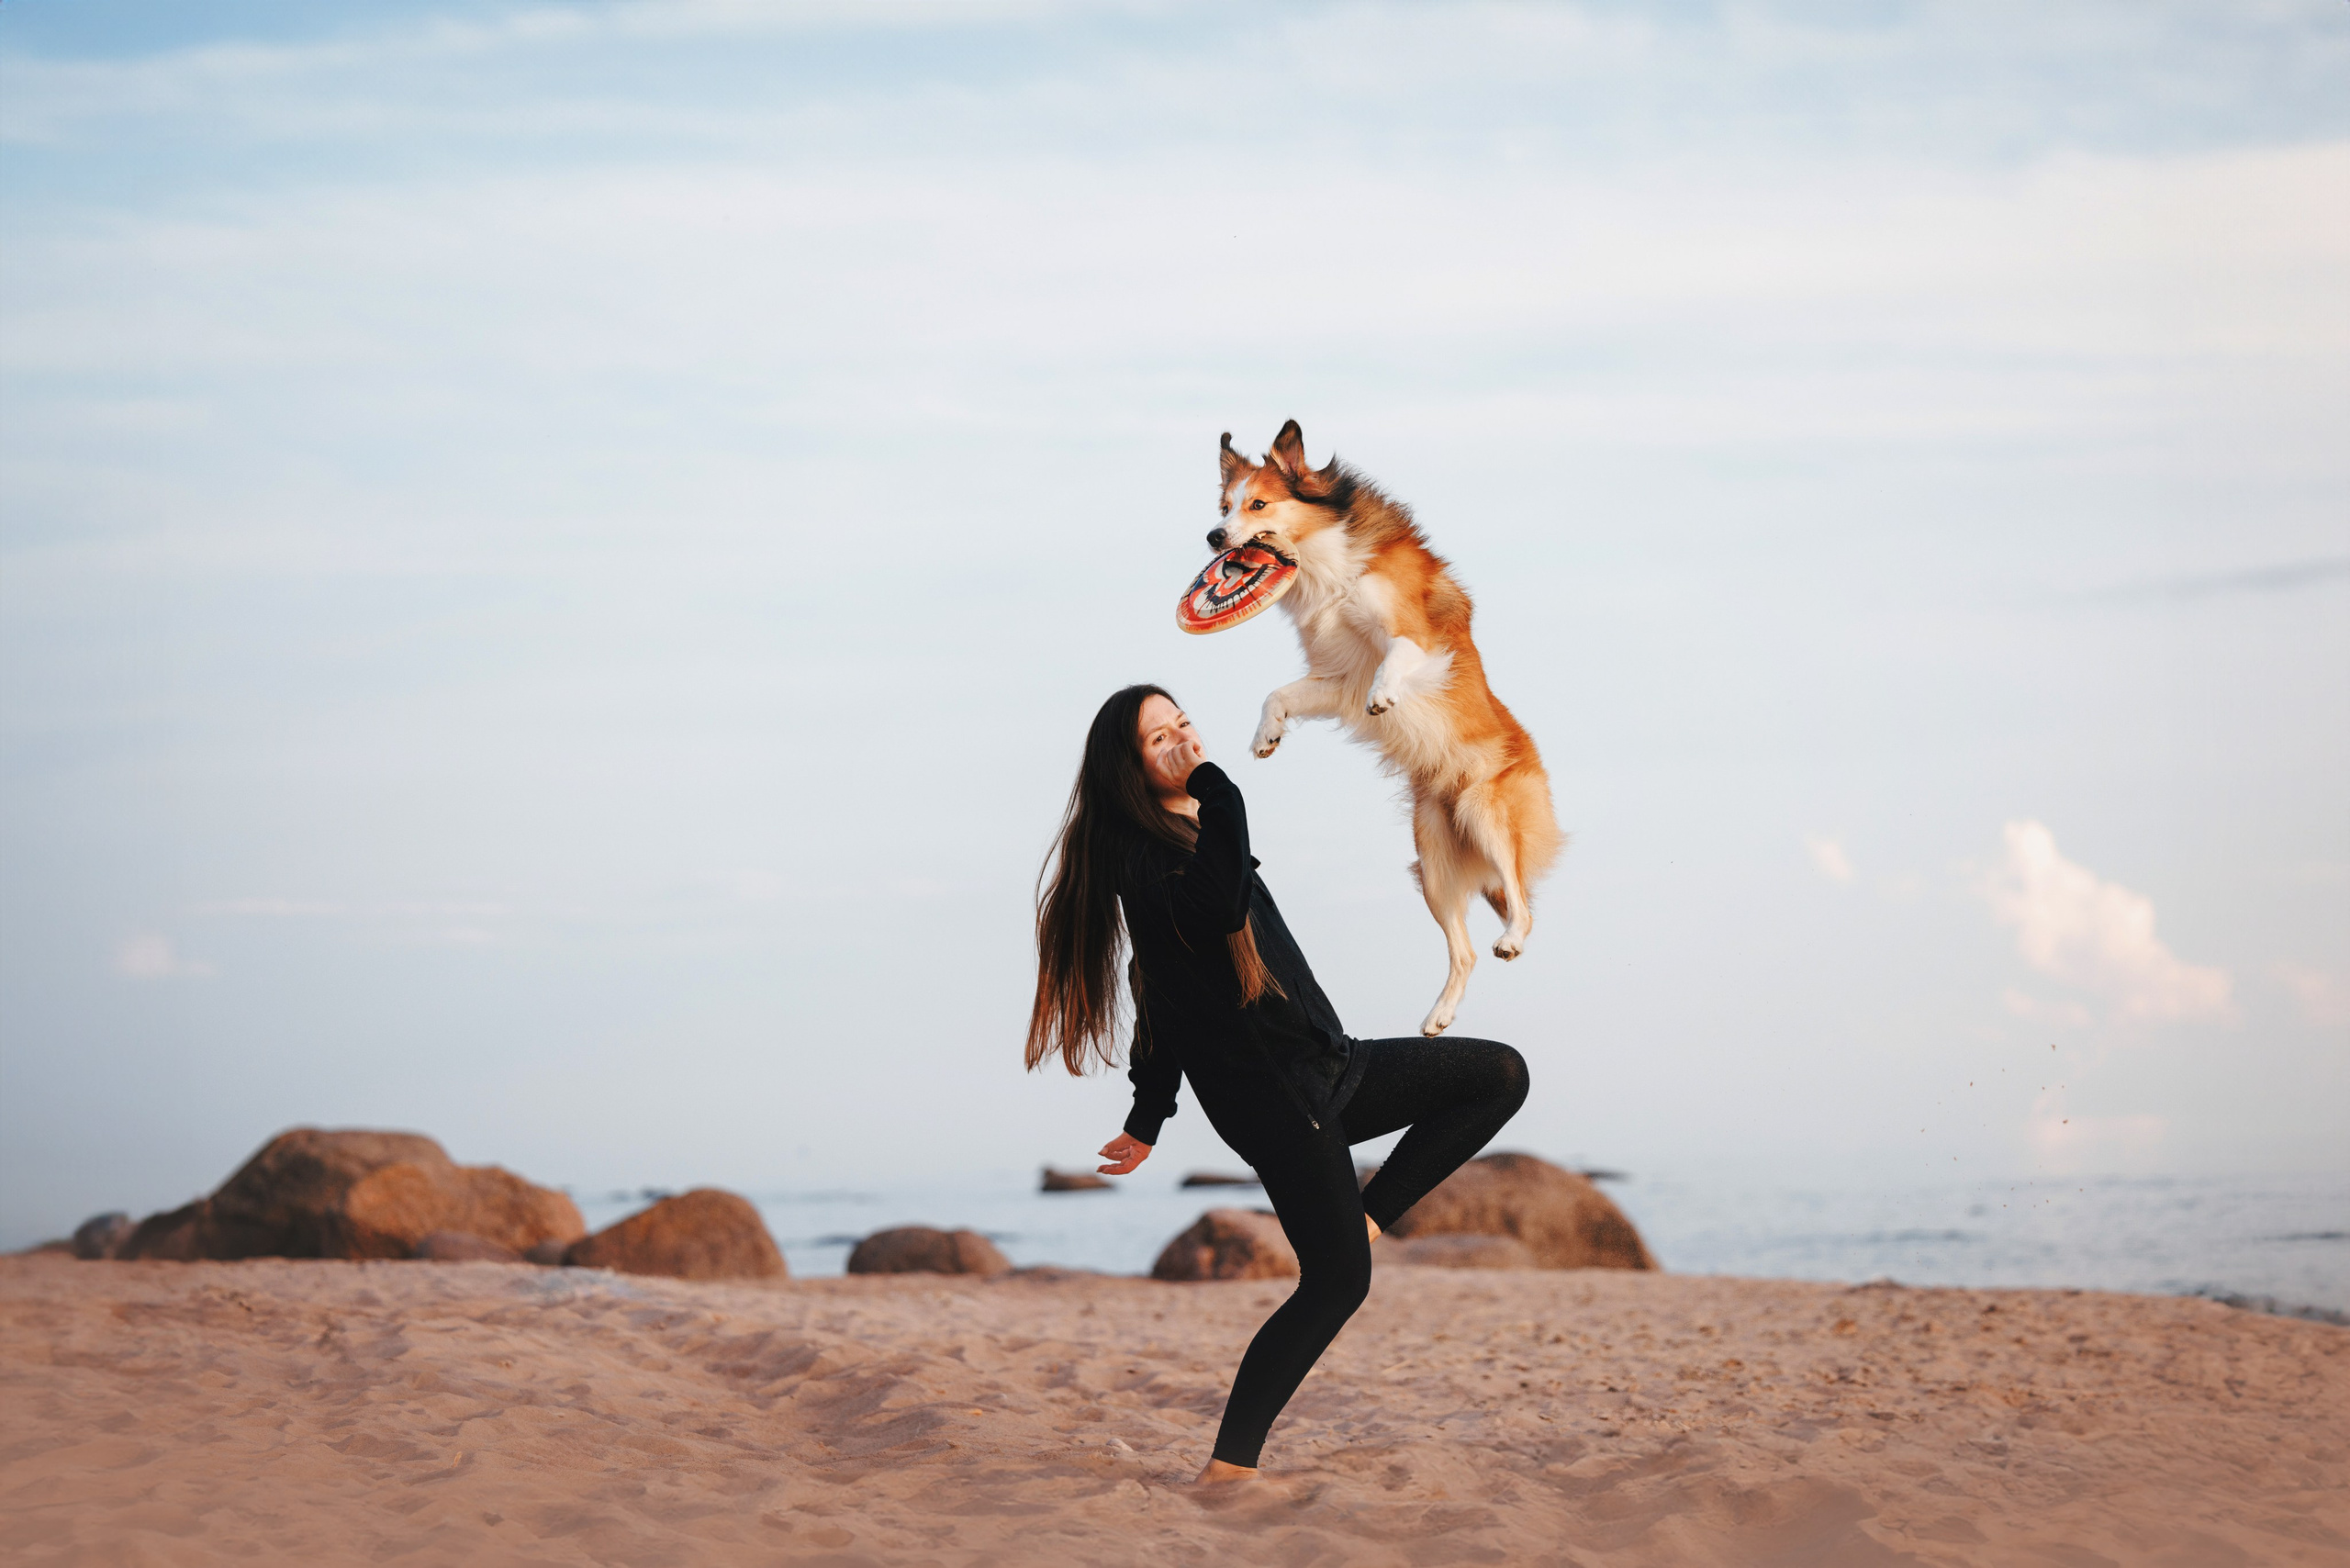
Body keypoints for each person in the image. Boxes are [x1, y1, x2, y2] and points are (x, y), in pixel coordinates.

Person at [1026, 683, 1530, 1484]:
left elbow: (1160, 995)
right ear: (1126, 769)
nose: (1182, 742)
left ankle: (1367, 1218)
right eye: (1159, 739)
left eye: (1184, 724)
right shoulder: (1151, 862)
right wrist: (1219, 785)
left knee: (1497, 1075)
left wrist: (1148, 1117)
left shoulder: (1187, 835)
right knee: (1334, 1288)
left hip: (1332, 1066)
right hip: (1278, 1104)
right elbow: (1208, 922)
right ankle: (1228, 1470)